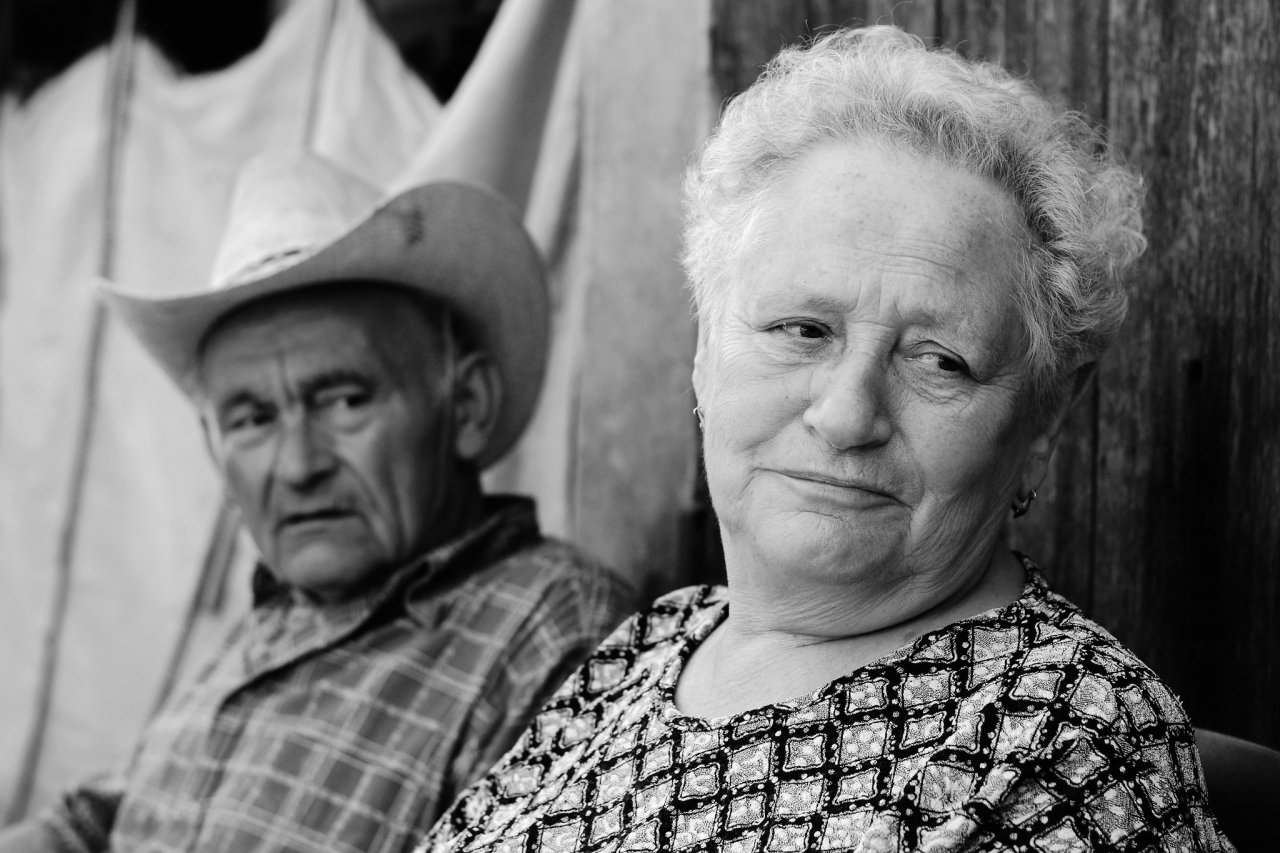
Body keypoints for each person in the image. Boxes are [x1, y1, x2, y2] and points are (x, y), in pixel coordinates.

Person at [415, 26, 1236, 853]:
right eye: (802, 329)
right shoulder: (650, 647)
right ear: (704, 355)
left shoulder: (1063, 737)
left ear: (1044, 421)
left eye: (940, 361)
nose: (847, 416)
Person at [0, 149, 634, 853]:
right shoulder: (278, 618)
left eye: (344, 399)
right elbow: (110, 815)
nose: (298, 466)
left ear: (466, 405)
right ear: (214, 450)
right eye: (252, 419)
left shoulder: (553, 629)